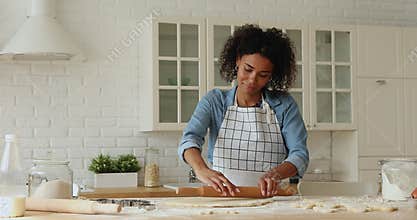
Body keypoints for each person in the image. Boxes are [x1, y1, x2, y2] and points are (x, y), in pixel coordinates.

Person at [178, 24, 309, 197]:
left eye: (263, 75)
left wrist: (275, 174)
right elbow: (190, 138)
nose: (252, 80)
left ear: (272, 75)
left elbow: (299, 154)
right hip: (223, 198)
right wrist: (201, 169)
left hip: (271, 200)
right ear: (238, 60)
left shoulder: (284, 105)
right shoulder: (215, 101)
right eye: (248, 69)